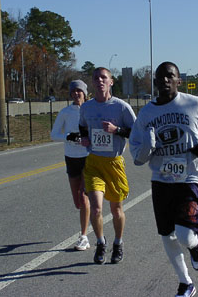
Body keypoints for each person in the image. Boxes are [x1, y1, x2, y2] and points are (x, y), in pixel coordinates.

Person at [129, 62, 198, 297]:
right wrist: (147, 147)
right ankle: (186, 283)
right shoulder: (147, 113)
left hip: (191, 177)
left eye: (170, 76)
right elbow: (137, 156)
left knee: (185, 235)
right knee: (167, 235)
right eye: (160, 77)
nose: (165, 80)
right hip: (161, 180)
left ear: (179, 81)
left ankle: (195, 244)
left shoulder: (195, 104)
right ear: (155, 82)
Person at [79, 67, 136, 264]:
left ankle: (118, 243)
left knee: (116, 209)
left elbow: (135, 132)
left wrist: (116, 129)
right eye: (96, 78)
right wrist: (85, 137)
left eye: (104, 78)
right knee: (95, 208)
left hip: (114, 163)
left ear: (111, 82)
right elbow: (82, 126)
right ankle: (101, 242)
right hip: (94, 162)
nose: (100, 81)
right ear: (93, 83)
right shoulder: (86, 107)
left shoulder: (121, 107)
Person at [51, 80, 91, 251]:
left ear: (85, 93)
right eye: (73, 91)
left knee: (84, 197)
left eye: (79, 91)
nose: (76, 94)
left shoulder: (91, 110)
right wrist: (70, 136)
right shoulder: (65, 112)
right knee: (77, 202)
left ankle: (84, 236)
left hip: (88, 158)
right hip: (71, 158)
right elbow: (54, 135)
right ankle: (86, 212)